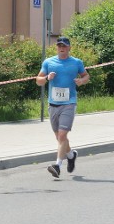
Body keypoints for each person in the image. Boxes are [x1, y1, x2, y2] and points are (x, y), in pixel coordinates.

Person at [35, 36, 90, 179]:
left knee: (62, 135)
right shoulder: (48, 62)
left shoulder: (76, 62)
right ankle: (71, 155)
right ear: (57, 48)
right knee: (60, 138)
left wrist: (81, 81)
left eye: (64, 46)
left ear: (69, 48)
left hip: (69, 103)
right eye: (59, 45)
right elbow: (38, 81)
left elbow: (86, 76)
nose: (61, 48)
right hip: (53, 104)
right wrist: (47, 78)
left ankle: (57, 166)